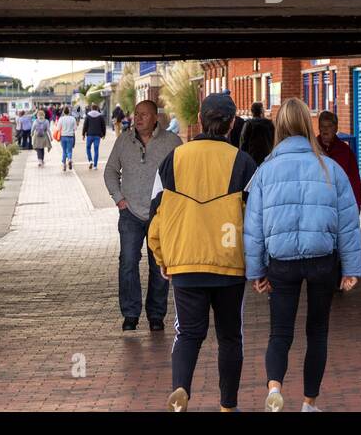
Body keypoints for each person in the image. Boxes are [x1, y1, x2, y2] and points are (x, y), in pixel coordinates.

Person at [244, 98, 361, 412]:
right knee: (317, 332)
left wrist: (256, 271)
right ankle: (309, 403)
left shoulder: (265, 171)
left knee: (279, 332)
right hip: (322, 261)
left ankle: (274, 387)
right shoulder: (330, 168)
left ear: (280, 127)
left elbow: (253, 226)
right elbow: (348, 222)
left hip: (281, 262)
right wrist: (351, 268)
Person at [148, 92, 257, 412]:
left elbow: (156, 215)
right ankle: (228, 406)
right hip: (228, 264)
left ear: (199, 119)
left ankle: (181, 388)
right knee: (230, 337)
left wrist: (161, 257)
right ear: (232, 124)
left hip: (185, 262)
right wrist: (257, 264)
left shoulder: (173, 160)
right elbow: (255, 219)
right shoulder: (243, 162)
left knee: (187, 333)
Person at [103, 99, 182, 331]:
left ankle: (156, 315)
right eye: (136, 114)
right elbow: (110, 171)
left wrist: (174, 204)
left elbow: (183, 173)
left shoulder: (172, 142)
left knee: (159, 264)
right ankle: (130, 314)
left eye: (144, 114)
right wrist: (119, 198)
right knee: (128, 262)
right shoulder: (124, 140)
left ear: (156, 117)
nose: (138, 118)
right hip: (130, 213)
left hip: (161, 213)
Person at [316, 111, 361, 212]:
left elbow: (354, 180)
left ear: (336, 128)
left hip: (340, 203)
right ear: (319, 128)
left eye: (329, 126)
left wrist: (357, 204)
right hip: (318, 203)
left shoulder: (345, 151)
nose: (325, 129)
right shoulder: (312, 148)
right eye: (322, 126)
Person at [238, 101, 274, 168]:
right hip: (267, 158)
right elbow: (274, 140)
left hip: (252, 158)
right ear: (262, 111)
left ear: (252, 112)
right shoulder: (269, 124)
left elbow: (243, 142)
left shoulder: (248, 124)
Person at [82, 102, 107, 170]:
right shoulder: (100, 116)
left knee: (88, 148)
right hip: (97, 135)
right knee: (96, 150)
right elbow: (103, 126)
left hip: (89, 135)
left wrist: (83, 134)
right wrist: (104, 134)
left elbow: (85, 125)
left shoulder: (88, 116)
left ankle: (90, 160)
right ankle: (95, 165)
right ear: (97, 108)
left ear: (91, 108)